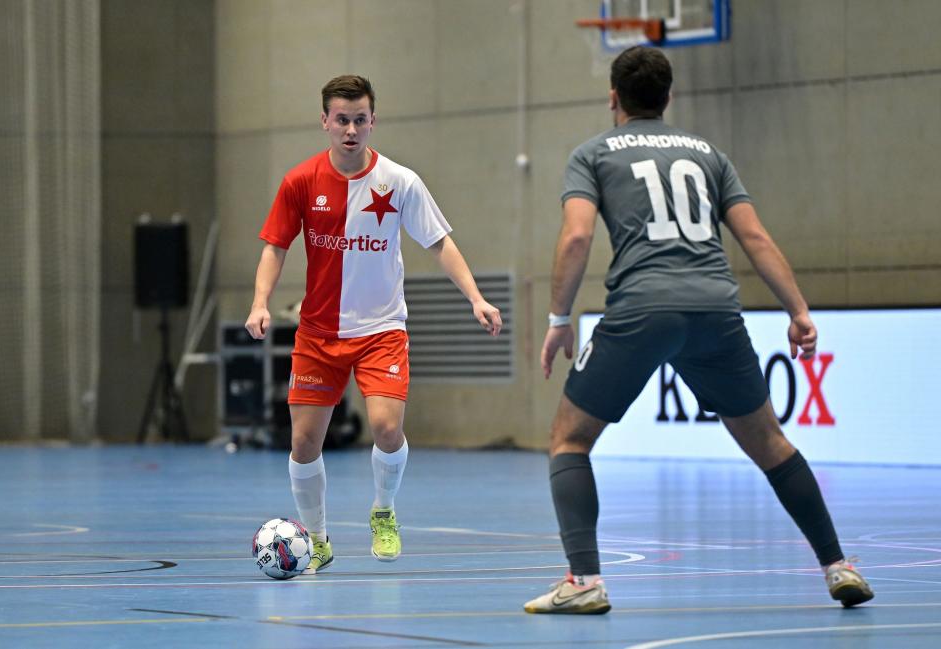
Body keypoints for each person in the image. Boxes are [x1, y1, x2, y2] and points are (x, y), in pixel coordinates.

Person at [524, 47, 873, 614]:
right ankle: (838, 566)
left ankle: (584, 581)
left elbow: (578, 237)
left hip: (642, 310)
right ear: (669, 97)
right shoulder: (709, 154)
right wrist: (798, 311)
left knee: (570, 439)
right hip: (715, 312)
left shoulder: (592, 154)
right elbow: (754, 237)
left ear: (613, 98)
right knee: (771, 443)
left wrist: (559, 319)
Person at [246, 75, 502, 575]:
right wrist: (260, 303)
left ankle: (383, 510)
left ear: (372, 122)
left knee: (386, 429)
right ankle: (317, 539)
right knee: (304, 443)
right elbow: (275, 246)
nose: (350, 130)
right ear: (325, 121)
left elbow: (439, 242)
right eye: (341, 120)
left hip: (382, 330)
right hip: (318, 334)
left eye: (359, 120)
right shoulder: (300, 182)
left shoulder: (399, 181)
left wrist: (476, 298)